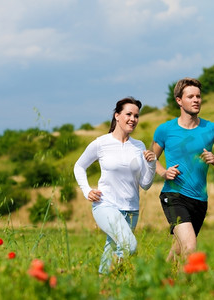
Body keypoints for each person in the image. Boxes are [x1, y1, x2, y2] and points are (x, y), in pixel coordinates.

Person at [151, 77, 214, 262]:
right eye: (190, 96)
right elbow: (150, 158)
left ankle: (160, 281)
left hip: (199, 199)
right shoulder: (165, 130)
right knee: (190, 247)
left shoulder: (212, 128)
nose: (196, 100)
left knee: (178, 249)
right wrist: (163, 172)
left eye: (198, 96)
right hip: (173, 195)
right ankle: (186, 290)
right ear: (179, 101)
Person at [74, 97, 156, 274]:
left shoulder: (138, 146)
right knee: (130, 245)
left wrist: (152, 164)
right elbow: (79, 166)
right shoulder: (101, 143)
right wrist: (86, 190)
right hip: (106, 205)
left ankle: (105, 288)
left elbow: (145, 184)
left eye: (136, 116)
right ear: (117, 116)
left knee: (112, 249)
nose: (133, 119)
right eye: (128, 114)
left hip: (132, 210)